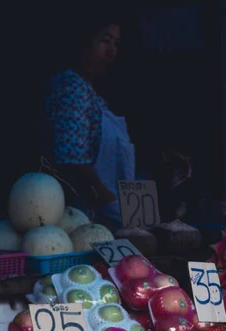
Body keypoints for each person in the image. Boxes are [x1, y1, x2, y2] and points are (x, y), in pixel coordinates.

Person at [39, 6, 133, 227]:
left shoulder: (95, 96)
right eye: (105, 41)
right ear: (82, 42)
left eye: (116, 44)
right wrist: (111, 204)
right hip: (77, 219)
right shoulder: (70, 87)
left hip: (100, 219)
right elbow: (72, 162)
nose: (111, 51)